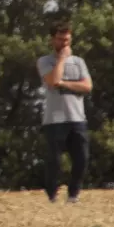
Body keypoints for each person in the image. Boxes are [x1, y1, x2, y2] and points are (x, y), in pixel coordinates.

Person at [37, 21, 93, 203]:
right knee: (54, 160)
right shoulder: (44, 61)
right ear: (52, 40)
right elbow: (53, 80)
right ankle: (52, 194)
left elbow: (87, 86)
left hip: (77, 117)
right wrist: (61, 60)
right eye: (60, 40)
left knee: (82, 157)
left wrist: (64, 84)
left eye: (67, 40)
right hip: (54, 120)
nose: (65, 44)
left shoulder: (79, 62)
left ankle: (74, 194)